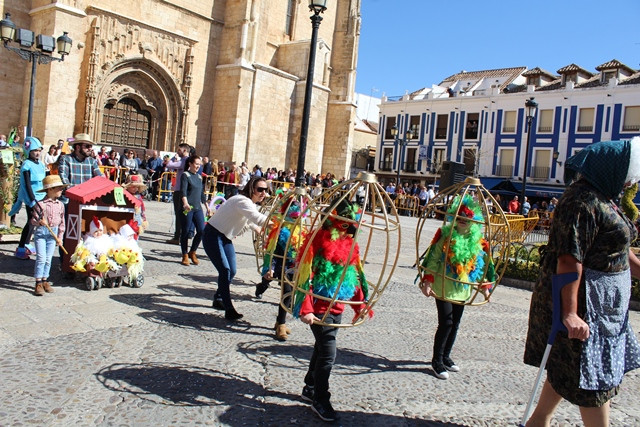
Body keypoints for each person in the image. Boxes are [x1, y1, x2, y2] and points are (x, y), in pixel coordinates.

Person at [523, 137, 640, 427]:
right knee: (593, 383)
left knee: (567, 371)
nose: (629, 181)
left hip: (604, 310)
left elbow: (619, 250)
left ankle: (537, 422)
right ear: (610, 168)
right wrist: (570, 313)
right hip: (587, 308)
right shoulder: (581, 201)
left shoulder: (603, 197)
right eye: (627, 173)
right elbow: (568, 260)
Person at [293, 200, 372, 422]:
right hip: (318, 307)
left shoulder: (351, 244)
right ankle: (321, 398)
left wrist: (360, 305)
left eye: (350, 225)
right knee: (329, 352)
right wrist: (306, 308)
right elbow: (303, 277)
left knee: (321, 348)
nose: (346, 229)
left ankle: (309, 386)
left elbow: (354, 276)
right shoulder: (316, 243)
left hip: (337, 306)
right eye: (342, 224)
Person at [419, 194, 495, 380]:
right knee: (446, 322)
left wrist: (485, 286)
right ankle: (436, 361)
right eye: (459, 218)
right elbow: (433, 258)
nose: (462, 222)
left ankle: (446, 356)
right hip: (442, 286)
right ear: (454, 217)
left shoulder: (478, 241)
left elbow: (483, 265)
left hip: (462, 288)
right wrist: (427, 280)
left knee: (456, 324)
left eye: (466, 219)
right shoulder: (445, 236)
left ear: (473, 220)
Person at [202, 176, 269, 320]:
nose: (263, 193)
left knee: (231, 270)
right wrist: (281, 224)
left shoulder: (247, 203)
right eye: (260, 189)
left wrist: (258, 229)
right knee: (225, 270)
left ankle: (218, 298)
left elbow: (249, 220)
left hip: (225, 238)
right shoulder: (242, 201)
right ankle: (229, 308)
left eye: (266, 190)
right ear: (252, 189)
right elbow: (256, 217)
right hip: (213, 235)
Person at [31, 175, 66, 296]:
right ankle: (38, 282)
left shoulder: (60, 205)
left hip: (53, 233)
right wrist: (40, 222)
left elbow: (62, 222)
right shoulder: (41, 204)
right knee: (41, 258)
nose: (61, 190)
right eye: (58, 188)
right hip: (41, 233)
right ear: (50, 190)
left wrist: (60, 237)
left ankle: (45, 279)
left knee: (48, 258)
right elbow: (33, 220)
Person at [15, 137, 47, 260]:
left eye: (39, 150)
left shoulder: (40, 164)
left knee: (35, 223)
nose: (37, 153)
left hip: (41, 196)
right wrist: (32, 200)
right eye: (34, 151)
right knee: (30, 222)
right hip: (31, 198)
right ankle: (21, 247)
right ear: (29, 151)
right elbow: (27, 185)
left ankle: (27, 243)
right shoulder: (27, 165)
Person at [180, 155, 205, 266]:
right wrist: (185, 203)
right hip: (188, 208)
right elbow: (183, 191)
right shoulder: (185, 175)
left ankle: (193, 251)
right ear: (190, 163)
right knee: (185, 231)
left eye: (199, 165)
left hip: (198, 208)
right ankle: (184, 254)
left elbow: (201, 193)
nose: (198, 167)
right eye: (196, 164)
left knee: (201, 230)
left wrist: (208, 207)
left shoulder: (199, 177)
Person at [165, 143, 192, 244]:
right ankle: (182, 235)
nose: (177, 152)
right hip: (186, 190)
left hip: (180, 190)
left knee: (179, 214)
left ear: (184, 150)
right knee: (184, 214)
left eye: (179, 150)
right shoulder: (190, 161)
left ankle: (177, 237)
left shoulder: (184, 161)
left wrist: (173, 158)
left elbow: (169, 165)